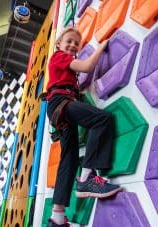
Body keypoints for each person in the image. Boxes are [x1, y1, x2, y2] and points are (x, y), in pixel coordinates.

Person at [46, 27, 122, 227]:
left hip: (59, 106)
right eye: (68, 41)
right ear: (59, 45)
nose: (72, 45)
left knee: (69, 158)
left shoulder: (64, 64)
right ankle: (87, 179)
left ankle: (57, 217)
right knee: (102, 119)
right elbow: (87, 66)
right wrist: (102, 47)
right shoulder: (59, 57)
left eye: (76, 43)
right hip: (61, 102)